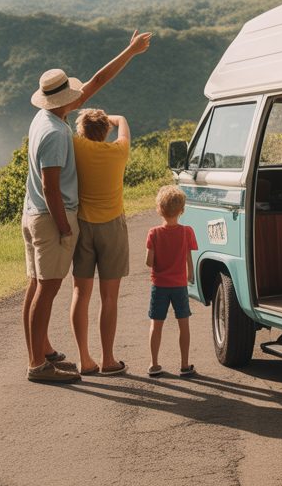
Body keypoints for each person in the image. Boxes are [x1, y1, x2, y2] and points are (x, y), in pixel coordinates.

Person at [22, 30, 151, 384]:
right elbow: (50, 185)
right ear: (64, 99)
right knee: (46, 289)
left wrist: (128, 51)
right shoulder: (58, 135)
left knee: (40, 287)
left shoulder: (53, 124)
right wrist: (64, 227)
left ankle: (49, 352)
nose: (80, 96)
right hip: (53, 219)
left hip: (39, 214)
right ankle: (38, 364)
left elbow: (95, 83)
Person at [70, 109, 131, 376]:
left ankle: (84, 358)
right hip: (113, 228)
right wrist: (112, 117)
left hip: (83, 227)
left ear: (82, 131)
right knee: (109, 297)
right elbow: (123, 124)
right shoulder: (119, 151)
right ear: (106, 130)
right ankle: (108, 359)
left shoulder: (77, 146)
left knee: (80, 294)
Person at [145, 185, 198, 378]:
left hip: (159, 285)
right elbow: (188, 257)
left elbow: (149, 261)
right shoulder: (187, 232)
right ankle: (184, 364)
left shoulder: (154, 233)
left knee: (156, 324)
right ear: (182, 210)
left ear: (159, 209)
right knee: (183, 324)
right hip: (179, 285)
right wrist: (190, 273)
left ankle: (154, 363)